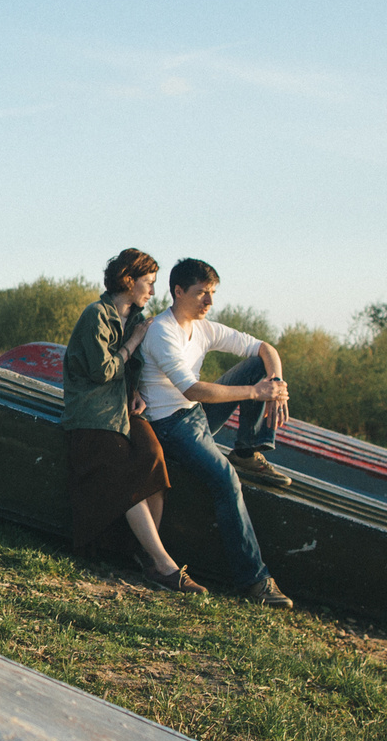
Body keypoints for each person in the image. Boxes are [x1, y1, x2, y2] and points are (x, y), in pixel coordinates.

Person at [136, 258, 294, 608]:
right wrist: (256, 393)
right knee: (226, 481)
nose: (209, 302)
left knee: (257, 365)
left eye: (212, 294)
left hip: (195, 416)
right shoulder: (162, 332)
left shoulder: (202, 327)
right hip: (170, 425)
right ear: (178, 291)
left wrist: (277, 381)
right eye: (201, 294)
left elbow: (264, 348)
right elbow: (192, 390)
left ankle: (246, 450)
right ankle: (255, 582)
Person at [61, 249, 195, 592]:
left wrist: (135, 390)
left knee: (154, 458)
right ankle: (164, 565)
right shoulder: (97, 315)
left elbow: (130, 371)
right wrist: (133, 343)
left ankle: (145, 556)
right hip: (92, 413)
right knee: (125, 472)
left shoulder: (137, 319)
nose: (152, 291)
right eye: (148, 283)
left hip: (122, 409)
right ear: (129, 280)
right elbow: (103, 371)